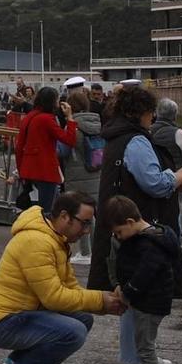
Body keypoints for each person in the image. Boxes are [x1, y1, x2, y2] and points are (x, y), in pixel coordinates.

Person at [89, 83, 182, 364]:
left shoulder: (115, 136)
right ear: (142, 113)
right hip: (136, 226)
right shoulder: (135, 141)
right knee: (138, 297)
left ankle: (139, 353)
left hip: (120, 224)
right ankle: (136, 357)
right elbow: (154, 183)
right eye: (150, 113)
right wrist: (178, 175)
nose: (152, 118)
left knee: (131, 295)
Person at [0, 190, 122, 364]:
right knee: (74, 332)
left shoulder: (55, 239)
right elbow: (54, 298)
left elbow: (69, 286)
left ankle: (17, 362)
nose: (85, 231)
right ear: (64, 216)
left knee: (83, 317)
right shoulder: (37, 242)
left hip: (22, 313)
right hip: (3, 322)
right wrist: (100, 299)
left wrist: (103, 303)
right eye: (83, 223)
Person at [107, 196, 182, 364]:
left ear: (131, 222)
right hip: (149, 302)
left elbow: (144, 275)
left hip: (150, 304)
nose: (119, 237)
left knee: (145, 348)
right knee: (146, 345)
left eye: (120, 232)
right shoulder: (150, 236)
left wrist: (128, 293)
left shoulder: (150, 245)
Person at [12, 85, 74, 215]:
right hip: (45, 169)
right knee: (47, 209)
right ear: (52, 101)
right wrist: (70, 118)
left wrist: (21, 168)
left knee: (35, 207)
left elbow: (19, 146)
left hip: (29, 168)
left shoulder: (29, 117)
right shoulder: (47, 119)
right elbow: (69, 139)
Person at [60, 87, 105, 261]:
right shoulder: (97, 124)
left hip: (77, 174)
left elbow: (64, 150)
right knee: (93, 214)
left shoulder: (74, 128)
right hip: (96, 173)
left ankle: (85, 252)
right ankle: (96, 251)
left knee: (81, 216)